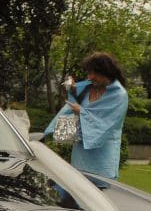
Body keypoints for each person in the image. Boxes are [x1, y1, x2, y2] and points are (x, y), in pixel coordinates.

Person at [45, 51, 130, 179]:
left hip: (102, 161)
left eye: (92, 73)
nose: (89, 77)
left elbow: (105, 125)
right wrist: (72, 90)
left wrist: (81, 111)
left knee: (97, 197)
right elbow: (73, 105)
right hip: (80, 157)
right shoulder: (87, 88)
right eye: (88, 73)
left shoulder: (119, 95)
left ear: (105, 72)